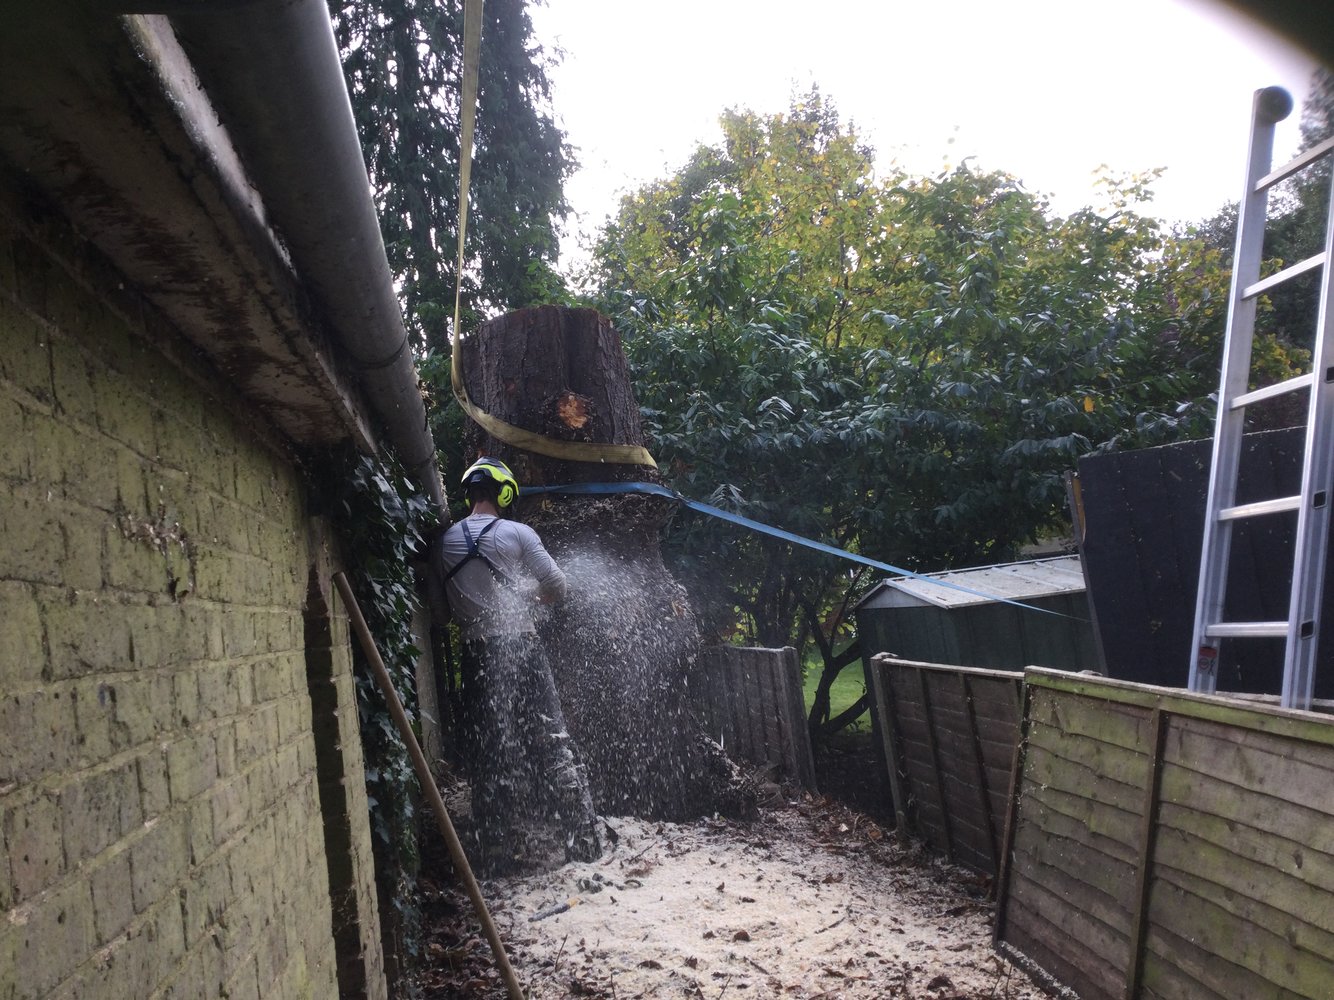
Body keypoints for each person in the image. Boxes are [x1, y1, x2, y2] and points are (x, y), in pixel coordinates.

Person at [436, 456, 602, 870]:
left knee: (488, 749)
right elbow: (557, 584)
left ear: (469, 494)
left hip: (475, 654)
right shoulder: (517, 532)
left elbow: (440, 616)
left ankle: (495, 852)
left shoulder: (445, 540)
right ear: (505, 492)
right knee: (551, 738)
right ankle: (583, 844)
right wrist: (534, 597)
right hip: (522, 646)